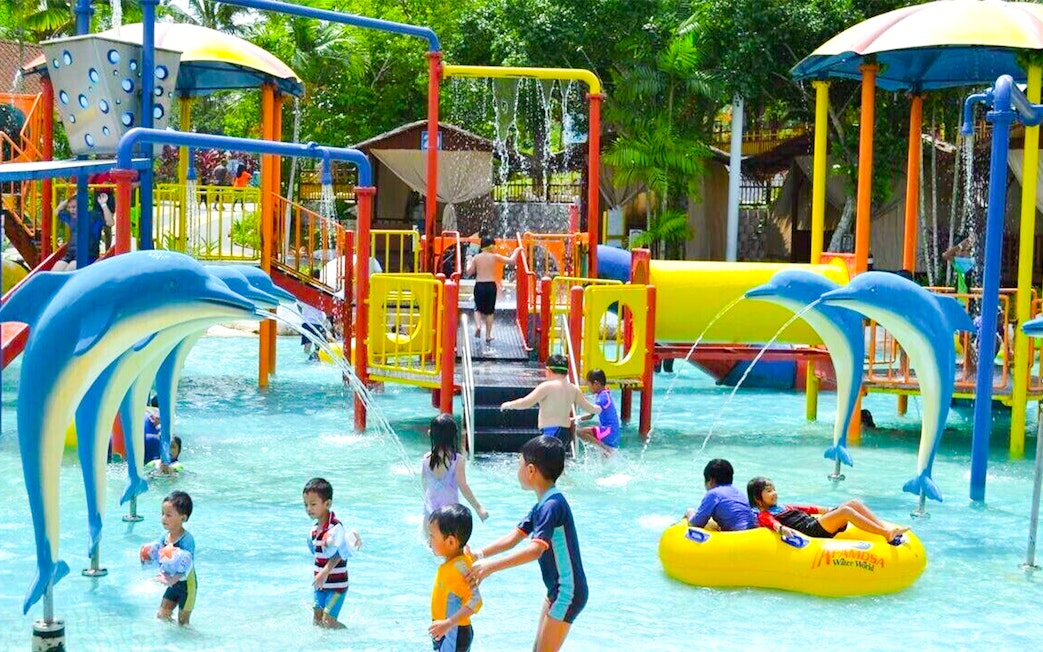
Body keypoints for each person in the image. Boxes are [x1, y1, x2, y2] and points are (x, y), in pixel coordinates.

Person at [466, 436, 587, 652]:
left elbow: (535, 550)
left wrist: (491, 567)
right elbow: (513, 538)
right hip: (558, 589)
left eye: (518, 464)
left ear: (531, 471)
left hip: (567, 591)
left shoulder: (551, 506)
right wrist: (479, 554)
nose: (517, 469)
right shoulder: (544, 504)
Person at [747, 476, 907, 544]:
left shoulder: (785, 506)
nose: (774, 493)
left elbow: (811, 508)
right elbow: (772, 523)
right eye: (768, 491)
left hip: (816, 523)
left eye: (773, 489)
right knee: (847, 512)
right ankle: (886, 534)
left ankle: (888, 530)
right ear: (757, 498)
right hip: (811, 531)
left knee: (854, 503)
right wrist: (782, 529)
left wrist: (832, 510)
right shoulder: (764, 515)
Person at [500, 354, 601, 442]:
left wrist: (509, 404)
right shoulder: (573, 389)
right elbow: (589, 407)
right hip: (566, 433)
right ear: (566, 372)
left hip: (551, 431)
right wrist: (600, 408)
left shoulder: (546, 386)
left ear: (548, 370)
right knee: (557, 462)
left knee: (541, 461)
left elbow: (526, 402)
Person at [303, 477, 361, 629]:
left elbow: (339, 554)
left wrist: (324, 573)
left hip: (337, 584)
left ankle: (348, 635)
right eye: (306, 505)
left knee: (328, 620)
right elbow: (316, 554)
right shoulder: (313, 530)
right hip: (320, 584)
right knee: (317, 619)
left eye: (313, 504)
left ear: (327, 503)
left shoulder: (336, 528)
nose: (309, 508)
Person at [428, 504, 483, 652]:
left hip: (454, 633)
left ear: (451, 542)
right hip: (446, 630)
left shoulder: (460, 568)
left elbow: (476, 601)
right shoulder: (456, 560)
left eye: (432, 536)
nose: (429, 540)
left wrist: (448, 623)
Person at [139, 490, 196, 625]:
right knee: (162, 615)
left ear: (183, 518)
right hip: (172, 585)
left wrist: (171, 580)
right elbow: (162, 560)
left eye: (169, 515)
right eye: (163, 514)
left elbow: (185, 565)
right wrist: (161, 574)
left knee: (183, 624)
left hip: (187, 586)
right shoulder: (164, 537)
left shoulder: (187, 540)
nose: (164, 518)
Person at [423, 413, 489, 524]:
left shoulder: (426, 458)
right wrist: (479, 508)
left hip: (429, 514)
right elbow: (463, 487)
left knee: (430, 541)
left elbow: (424, 485)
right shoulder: (457, 460)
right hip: (449, 515)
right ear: (453, 436)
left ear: (431, 434)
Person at [465, 236, 522, 343]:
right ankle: (488, 335)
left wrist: (468, 261)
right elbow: (512, 261)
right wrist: (517, 250)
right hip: (491, 286)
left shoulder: (476, 258)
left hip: (479, 285)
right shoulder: (494, 257)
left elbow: (469, 272)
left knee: (477, 308)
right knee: (489, 312)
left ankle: (478, 326)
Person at [682, 459, 756, 531]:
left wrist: (689, 513)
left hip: (738, 536)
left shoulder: (713, 494)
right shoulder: (739, 492)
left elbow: (696, 524)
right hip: (754, 532)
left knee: (689, 512)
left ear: (710, 480)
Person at [51, 192, 113, 272]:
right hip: (71, 253)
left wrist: (103, 205)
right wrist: (70, 198)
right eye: (69, 208)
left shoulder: (93, 217)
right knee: (56, 269)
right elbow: (56, 211)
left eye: (74, 207)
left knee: (71, 268)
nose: (71, 210)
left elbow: (110, 222)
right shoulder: (71, 218)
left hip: (87, 254)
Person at [576, 369, 621, 454]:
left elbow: (591, 410)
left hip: (609, 431)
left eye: (588, 384)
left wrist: (579, 399)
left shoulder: (602, 397)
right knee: (605, 463)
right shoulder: (603, 394)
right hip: (612, 432)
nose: (588, 387)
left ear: (596, 384)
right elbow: (591, 415)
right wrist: (576, 418)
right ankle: (605, 449)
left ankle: (605, 448)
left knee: (580, 432)